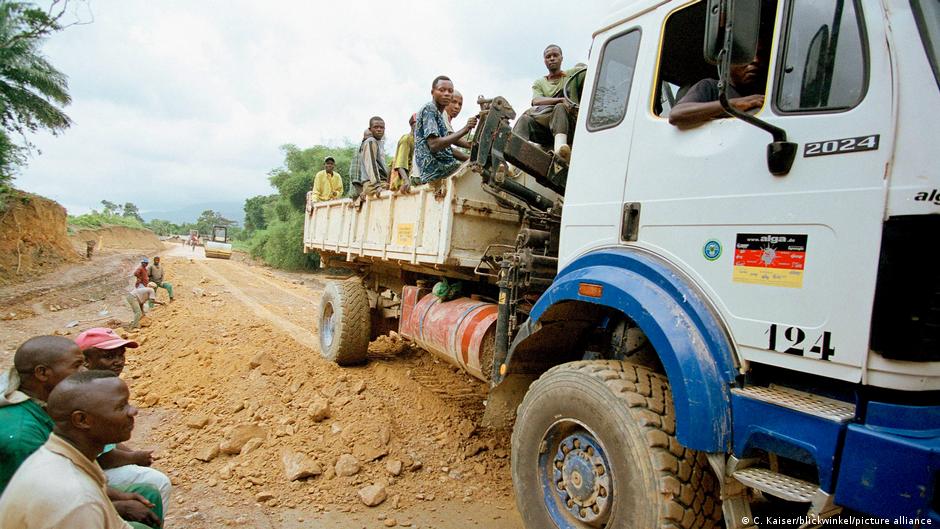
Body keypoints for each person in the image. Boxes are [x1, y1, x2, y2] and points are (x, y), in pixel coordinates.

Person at [0, 337, 162, 528]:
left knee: (147, 495)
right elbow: (51, 501)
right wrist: (116, 507)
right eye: (77, 366)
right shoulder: (22, 437)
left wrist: (116, 497)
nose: (85, 371)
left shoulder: (45, 405)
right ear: (42, 373)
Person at [76, 328, 173, 511]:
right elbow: (104, 458)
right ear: (86, 361)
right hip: (82, 472)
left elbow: (108, 443)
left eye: (121, 355)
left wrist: (133, 456)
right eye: (109, 356)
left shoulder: (95, 386)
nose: (118, 361)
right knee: (157, 482)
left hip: (86, 467)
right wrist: (134, 457)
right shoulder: (87, 394)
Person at [513, 45, 584, 162]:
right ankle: (512, 160)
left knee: (560, 108)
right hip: (547, 132)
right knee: (524, 120)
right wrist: (560, 100)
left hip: (570, 127)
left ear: (561, 58)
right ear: (544, 61)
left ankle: (560, 150)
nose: (552, 58)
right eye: (548, 56)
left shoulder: (573, 74)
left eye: (555, 55)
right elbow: (536, 101)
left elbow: (594, 69)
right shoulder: (540, 83)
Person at [667, 46, 768, 128]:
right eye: (747, 56)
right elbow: (677, 114)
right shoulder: (710, 87)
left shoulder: (768, 95)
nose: (756, 60)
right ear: (728, 61)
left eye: (761, 55)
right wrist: (735, 104)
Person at [415, 75, 478, 190]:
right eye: (442, 90)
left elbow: (446, 147)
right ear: (432, 92)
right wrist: (465, 129)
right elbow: (434, 145)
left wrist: (471, 149)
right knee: (478, 177)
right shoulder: (430, 109)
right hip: (436, 168)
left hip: (443, 166)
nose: (447, 94)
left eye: (450, 91)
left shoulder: (439, 114)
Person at [350, 117, 390, 203]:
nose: (379, 129)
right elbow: (371, 165)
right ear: (370, 129)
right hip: (374, 185)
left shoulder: (379, 144)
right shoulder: (371, 141)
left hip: (375, 184)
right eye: (376, 127)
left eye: (381, 127)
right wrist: (377, 185)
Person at [391, 114, 417, 193]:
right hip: (404, 181)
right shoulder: (406, 139)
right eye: (417, 124)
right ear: (412, 125)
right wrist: (406, 180)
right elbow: (400, 164)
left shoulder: (419, 140)